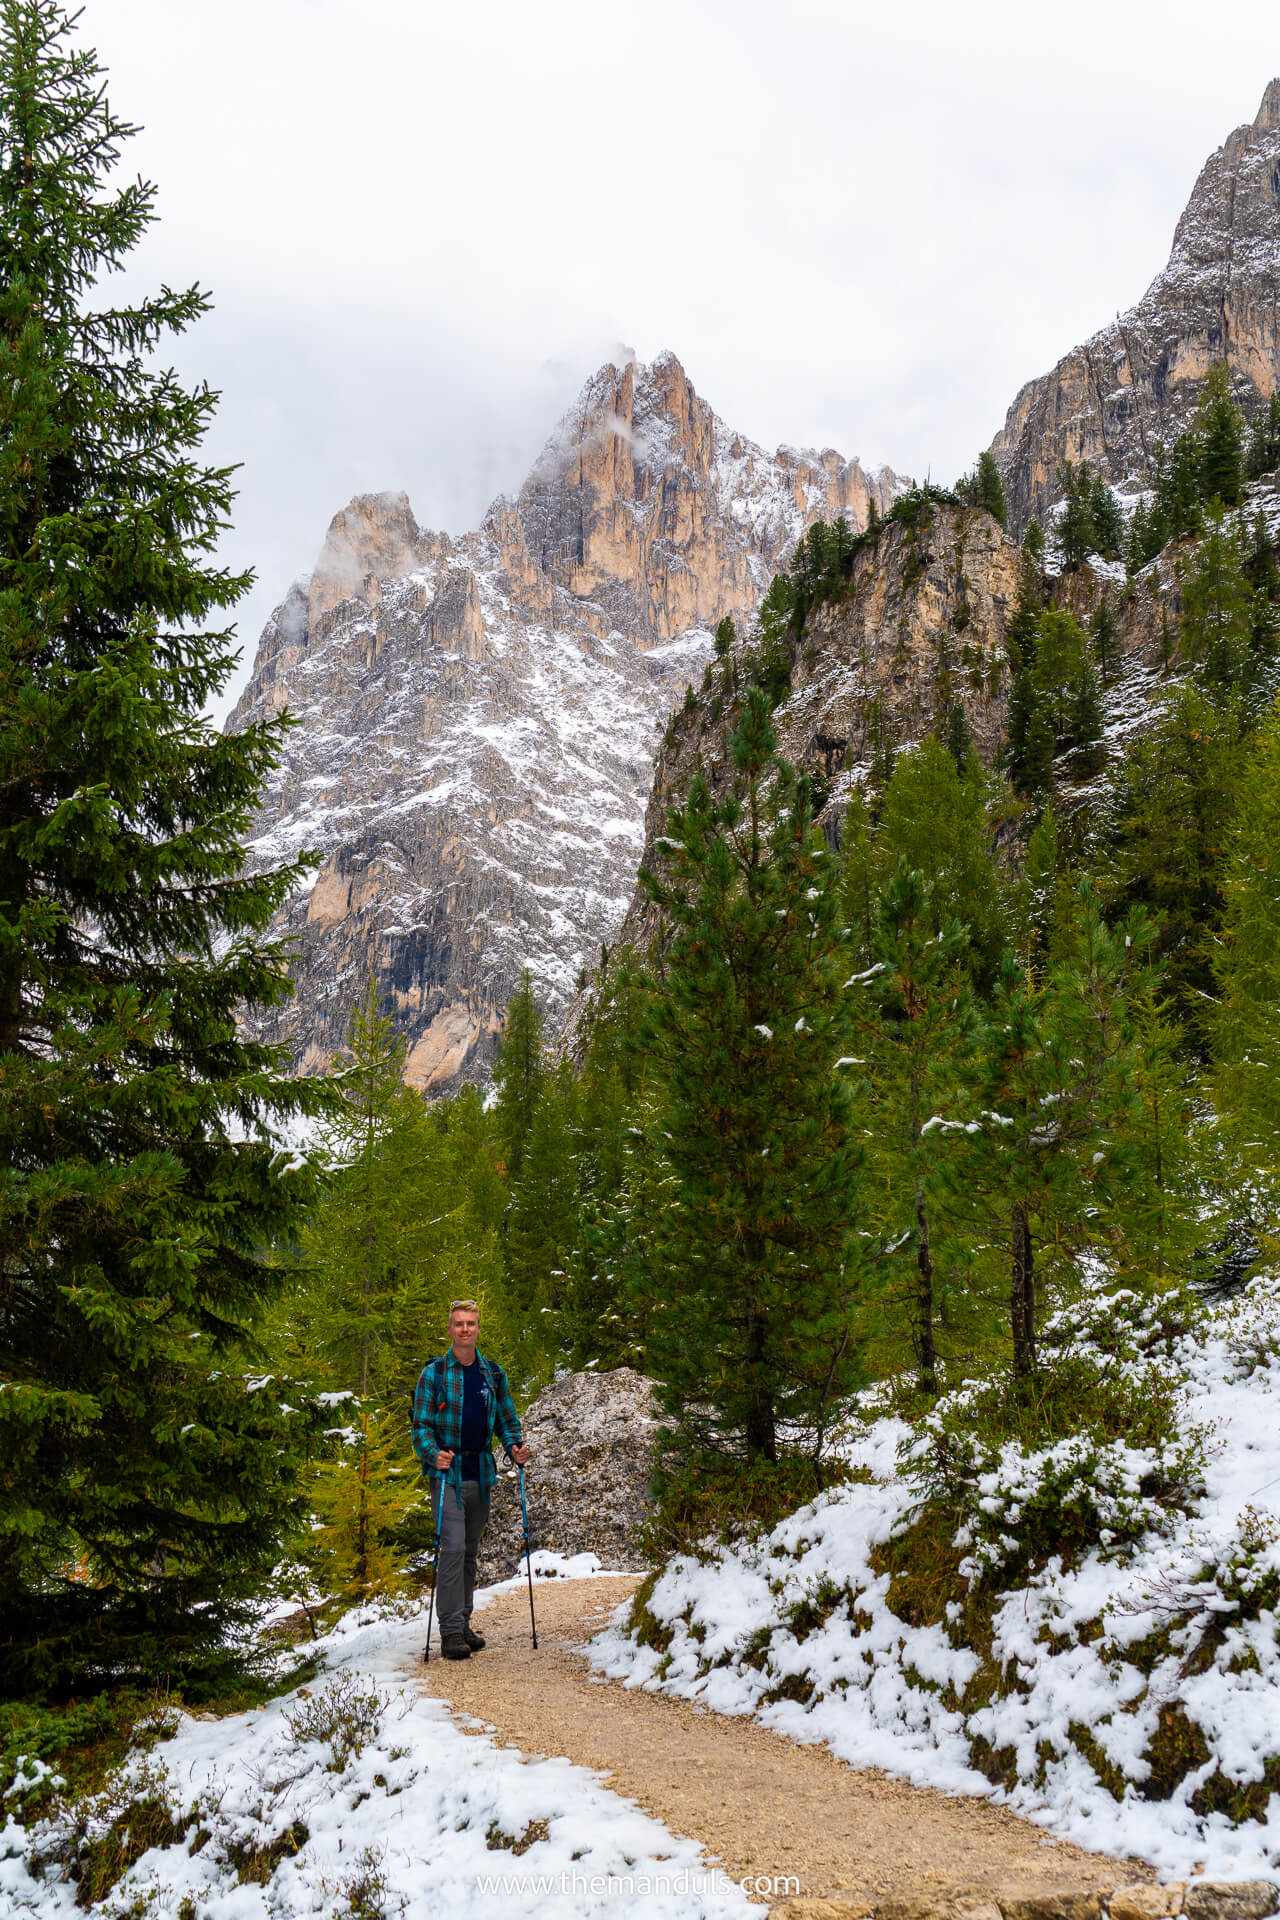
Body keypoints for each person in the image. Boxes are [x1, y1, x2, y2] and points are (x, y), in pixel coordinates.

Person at [411, 1299, 530, 1661]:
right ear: (449, 1329)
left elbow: (506, 1421)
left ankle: (462, 1622)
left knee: (470, 1552)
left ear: (479, 1329)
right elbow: (420, 1427)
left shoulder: (492, 1374)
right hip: (448, 1474)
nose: (465, 1329)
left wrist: (515, 1447)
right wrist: (434, 1454)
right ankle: (449, 1631)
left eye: (471, 1323)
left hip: (480, 1472)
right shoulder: (433, 1374)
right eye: (459, 1324)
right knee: (453, 1548)